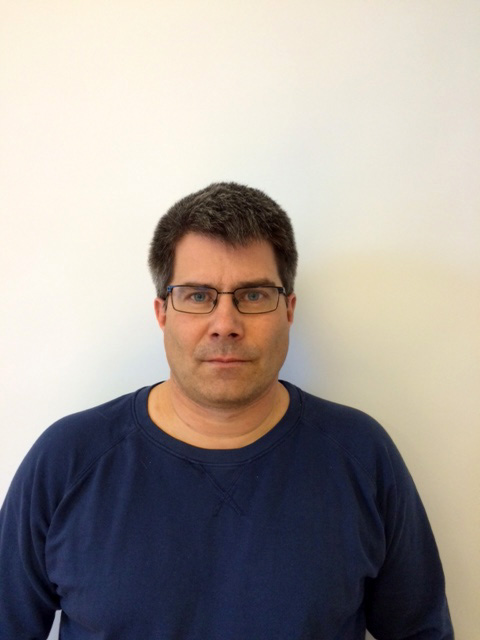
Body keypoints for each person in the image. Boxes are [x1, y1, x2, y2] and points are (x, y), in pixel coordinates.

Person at [0, 182, 454, 639]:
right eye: (198, 296)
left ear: (289, 310)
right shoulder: (67, 460)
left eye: (253, 295)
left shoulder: (361, 454)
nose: (225, 325)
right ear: (162, 312)